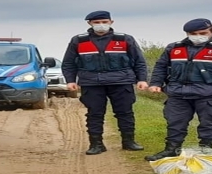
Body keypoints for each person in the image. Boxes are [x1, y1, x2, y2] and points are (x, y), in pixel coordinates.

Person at [144, 18, 212, 161]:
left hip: (209, 93)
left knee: (208, 123)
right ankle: (171, 150)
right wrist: (155, 83)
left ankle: (205, 151)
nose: (198, 36)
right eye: (193, 33)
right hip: (178, 93)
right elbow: (161, 66)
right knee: (175, 122)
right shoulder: (174, 48)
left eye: (203, 33)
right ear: (187, 33)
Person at [62, 10, 149, 155]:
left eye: (104, 22)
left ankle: (129, 142)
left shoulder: (125, 39)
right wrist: (70, 80)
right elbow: (69, 63)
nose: (101, 25)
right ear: (89, 23)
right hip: (91, 83)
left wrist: (142, 79)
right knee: (94, 114)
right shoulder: (78, 40)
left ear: (111, 22)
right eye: (96, 23)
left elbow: (139, 61)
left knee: (125, 113)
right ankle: (96, 144)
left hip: (121, 82)